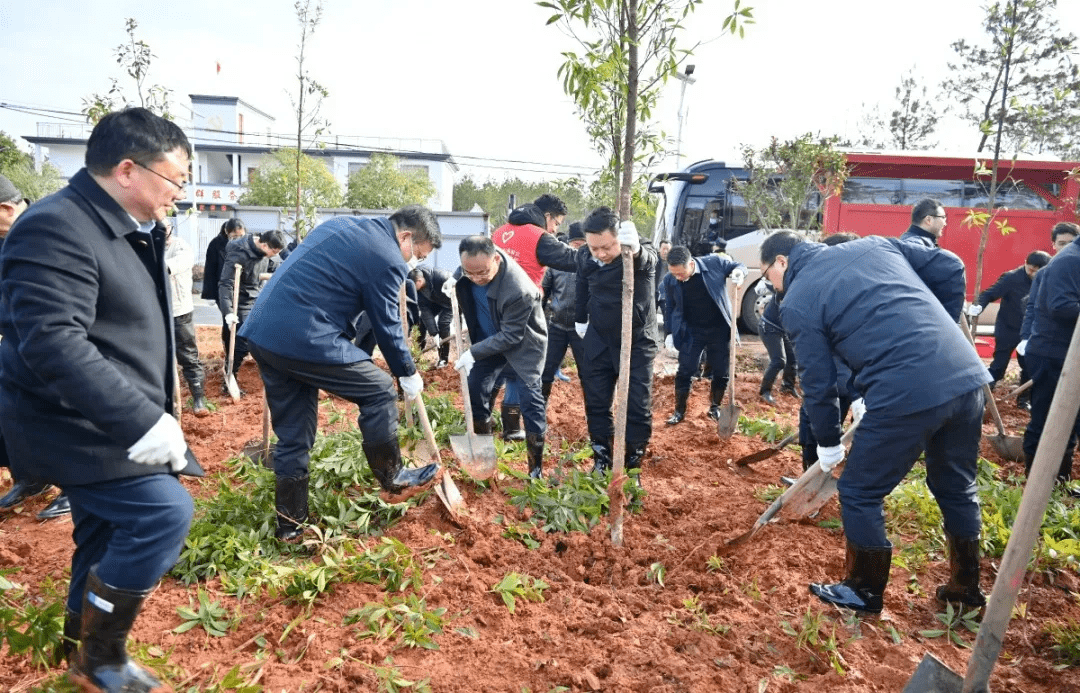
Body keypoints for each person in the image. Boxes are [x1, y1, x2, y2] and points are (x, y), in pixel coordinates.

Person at [0, 107, 202, 690]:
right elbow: (53, 342)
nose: (179, 194)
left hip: (106, 419)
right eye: (175, 181)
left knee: (101, 533)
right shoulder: (55, 226)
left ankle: (74, 647)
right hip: (71, 421)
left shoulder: (120, 224)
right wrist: (142, 421)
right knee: (163, 512)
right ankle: (102, 657)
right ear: (127, 170)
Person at [760, 230, 991, 614]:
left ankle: (863, 591)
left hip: (907, 390)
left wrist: (828, 442)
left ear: (781, 262)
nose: (773, 287)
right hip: (965, 379)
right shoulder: (875, 244)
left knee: (859, 491)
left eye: (768, 276)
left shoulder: (798, 300)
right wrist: (941, 329)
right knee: (956, 484)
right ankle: (966, 586)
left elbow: (818, 383)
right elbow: (951, 266)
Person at [239, 206, 441, 541]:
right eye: (417, 254)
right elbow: (387, 323)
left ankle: (290, 528)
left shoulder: (345, 225)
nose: (414, 263)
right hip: (303, 334)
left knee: (293, 437)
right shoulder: (387, 256)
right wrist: (407, 371)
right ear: (405, 236)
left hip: (265, 334)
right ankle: (393, 476)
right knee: (378, 388)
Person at [0, 176, 72, 520]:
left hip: (51, 340)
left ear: (5, 209)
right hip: (14, 340)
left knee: (63, 414)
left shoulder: (46, 228)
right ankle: (31, 478)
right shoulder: (5, 236)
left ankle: (76, 488)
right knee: (14, 413)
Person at [448, 236, 548, 478]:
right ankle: (483, 449)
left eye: (482, 273)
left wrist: (472, 352)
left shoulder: (519, 290)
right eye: (469, 273)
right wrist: (454, 278)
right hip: (489, 341)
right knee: (475, 388)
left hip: (523, 346)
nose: (476, 279)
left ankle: (535, 469)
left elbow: (511, 336)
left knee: (531, 403)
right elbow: (469, 270)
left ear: (496, 259)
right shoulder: (474, 263)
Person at [575, 208, 659, 481]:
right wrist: (580, 317)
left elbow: (648, 261)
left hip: (636, 340)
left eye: (607, 247)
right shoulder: (585, 255)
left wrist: (633, 250)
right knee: (596, 402)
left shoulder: (637, 249)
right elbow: (581, 283)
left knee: (637, 405)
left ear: (619, 239)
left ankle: (632, 466)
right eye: (594, 247)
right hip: (598, 339)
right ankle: (602, 459)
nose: (600, 253)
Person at [491, 194, 577, 440]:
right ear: (547, 216)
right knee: (524, 369)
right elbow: (571, 260)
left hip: (495, 307)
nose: (554, 229)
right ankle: (512, 428)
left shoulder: (500, 232)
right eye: (557, 223)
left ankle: (482, 421)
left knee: (495, 365)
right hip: (524, 310)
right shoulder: (539, 237)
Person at [1020, 232, 1080, 494]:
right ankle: (1036, 484)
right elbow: (1061, 306)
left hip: (1070, 355)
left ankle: (1060, 483)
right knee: (1044, 420)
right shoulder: (1069, 261)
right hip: (1052, 355)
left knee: (1071, 421)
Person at [661, 245, 746, 425]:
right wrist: (668, 333)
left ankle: (714, 407)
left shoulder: (714, 263)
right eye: (674, 273)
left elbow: (739, 265)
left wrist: (739, 273)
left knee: (721, 372)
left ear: (691, 264)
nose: (678, 277)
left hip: (719, 329)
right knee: (685, 370)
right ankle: (679, 411)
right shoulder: (670, 280)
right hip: (692, 331)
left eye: (681, 273)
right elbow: (670, 307)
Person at [966, 250, 1051, 405]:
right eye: (1030, 270)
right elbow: (988, 294)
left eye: (1037, 271)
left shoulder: (1047, 279)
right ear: (1025, 263)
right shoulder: (1011, 278)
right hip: (1007, 329)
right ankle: (981, 399)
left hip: (1029, 333)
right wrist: (978, 306)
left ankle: (1023, 401)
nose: (1033, 274)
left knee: (1029, 368)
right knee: (998, 367)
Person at [217, 229, 286, 389]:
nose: (274, 255)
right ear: (263, 244)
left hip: (256, 298)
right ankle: (229, 378)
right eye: (273, 252)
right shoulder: (239, 252)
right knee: (240, 343)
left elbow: (276, 265)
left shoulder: (268, 253)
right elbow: (225, 283)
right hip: (239, 301)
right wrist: (228, 311)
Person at [164, 218, 210, 417]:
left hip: (179, 311)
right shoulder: (146, 245)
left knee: (188, 356)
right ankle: (165, 404)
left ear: (169, 230)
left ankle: (198, 398)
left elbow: (172, 265)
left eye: (163, 229)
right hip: (155, 312)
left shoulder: (181, 247)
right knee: (158, 360)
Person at [541, 222, 587, 403]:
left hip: (583, 328)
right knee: (546, 370)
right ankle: (540, 411)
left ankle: (593, 415)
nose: (579, 249)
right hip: (557, 324)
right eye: (576, 245)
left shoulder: (593, 264)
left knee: (588, 373)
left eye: (583, 245)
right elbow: (543, 292)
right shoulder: (556, 264)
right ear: (569, 243)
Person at [202, 217, 246, 357]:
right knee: (229, 320)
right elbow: (210, 269)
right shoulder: (216, 244)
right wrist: (209, 294)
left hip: (242, 289)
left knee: (242, 320)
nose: (238, 239)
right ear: (227, 233)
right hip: (223, 289)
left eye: (241, 236)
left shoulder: (248, 244)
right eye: (234, 236)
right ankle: (229, 351)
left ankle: (240, 351)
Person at [409, 265, 453, 368]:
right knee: (422, 322)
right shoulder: (418, 291)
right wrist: (434, 333)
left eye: (413, 286)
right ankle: (416, 354)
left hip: (450, 302)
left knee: (443, 324)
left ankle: (443, 359)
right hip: (435, 301)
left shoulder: (441, 277)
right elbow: (425, 311)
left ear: (419, 281)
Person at [757, 295, 798, 405]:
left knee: (792, 359)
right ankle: (765, 391)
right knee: (779, 361)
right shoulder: (786, 289)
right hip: (769, 326)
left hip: (782, 329)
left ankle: (788, 387)